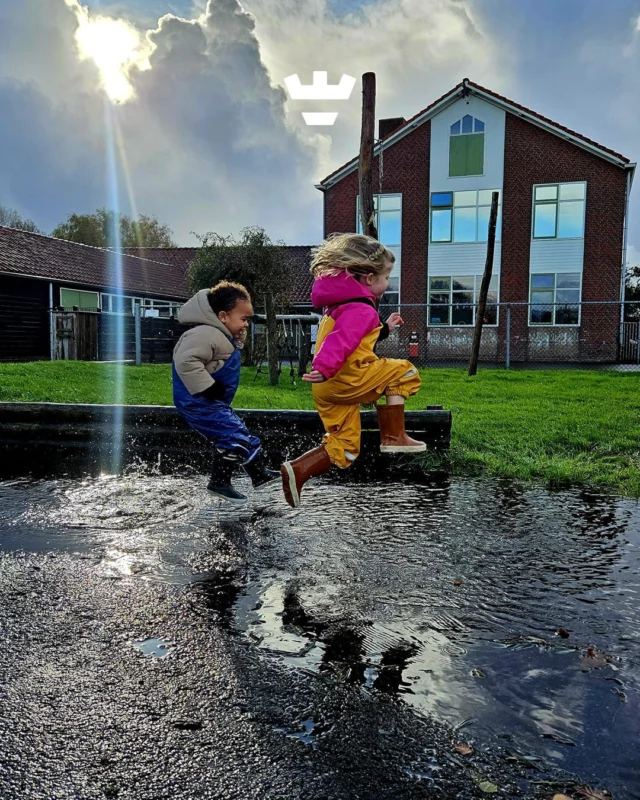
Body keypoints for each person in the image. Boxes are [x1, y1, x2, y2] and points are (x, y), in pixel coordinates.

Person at [280, 233, 426, 509]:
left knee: (345, 448)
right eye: (385, 278)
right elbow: (342, 341)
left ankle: (298, 470)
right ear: (369, 278)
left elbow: (354, 337)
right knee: (405, 372)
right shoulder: (361, 308)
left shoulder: (338, 306)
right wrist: (324, 367)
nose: (387, 284)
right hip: (344, 377)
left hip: (327, 389)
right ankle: (394, 436)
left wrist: (385, 329)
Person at [172, 281, 278, 505]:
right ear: (222, 316)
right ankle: (221, 482)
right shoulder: (203, 334)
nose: (246, 325)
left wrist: (237, 336)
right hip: (198, 401)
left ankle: (258, 475)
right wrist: (208, 387)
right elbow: (185, 361)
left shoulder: (219, 335)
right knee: (232, 435)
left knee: (236, 433)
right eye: (243, 319)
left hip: (211, 402)